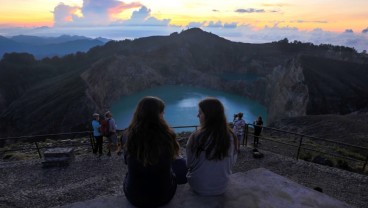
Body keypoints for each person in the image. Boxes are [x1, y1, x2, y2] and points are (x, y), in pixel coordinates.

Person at [123, 96, 186, 207]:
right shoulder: (168, 135)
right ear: (158, 114)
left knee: (128, 175)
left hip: (134, 197)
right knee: (180, 165)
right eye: (162, 112)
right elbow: (174, 158)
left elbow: (126, 161)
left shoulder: (128, 135)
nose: (163, 115)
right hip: (163, 196)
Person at [186, 97, 238, 196]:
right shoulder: (232, 136)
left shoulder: (196, 136)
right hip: (222, 186)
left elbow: (189, 164)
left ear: (210, 115)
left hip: (198, 186)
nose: (197, 115)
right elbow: (232, 162)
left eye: (200, 113)